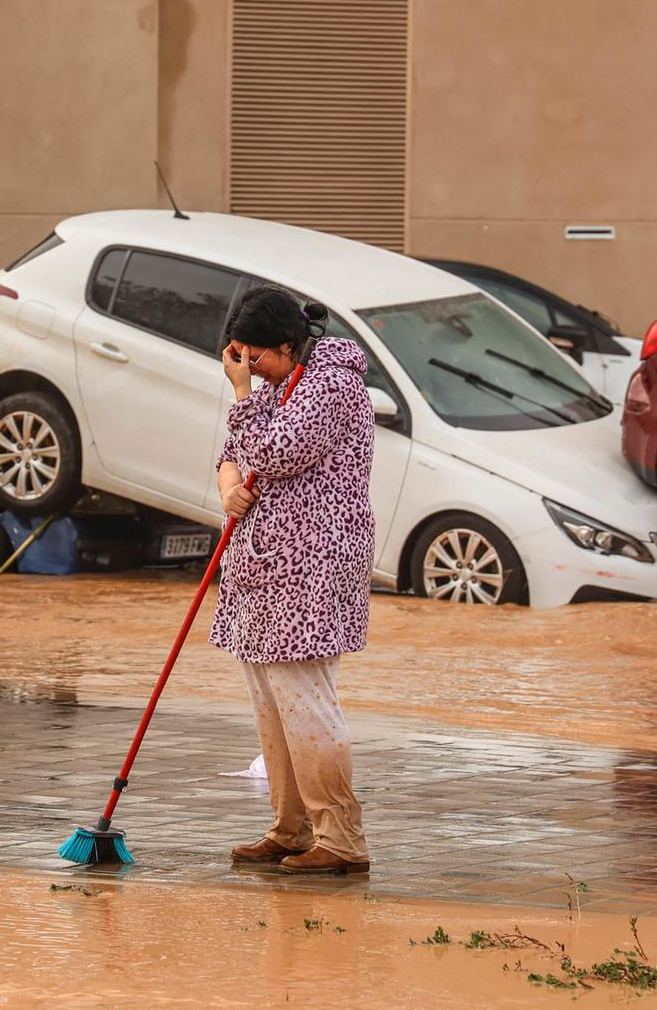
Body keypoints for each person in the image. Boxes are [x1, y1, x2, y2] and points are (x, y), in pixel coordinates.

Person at [211, 285, 375, 875]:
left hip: (312, 566)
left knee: (305, 702)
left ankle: (341, 838)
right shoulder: (281, 386)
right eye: (239, 358)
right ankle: (290, 827)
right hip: (261, 566)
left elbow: (276, 451)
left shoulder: (332, 384)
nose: (249, 369)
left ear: (288, 344)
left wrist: (241, 392)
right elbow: (236, 448)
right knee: (271, 704)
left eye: (256, 357)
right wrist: (229, 484)